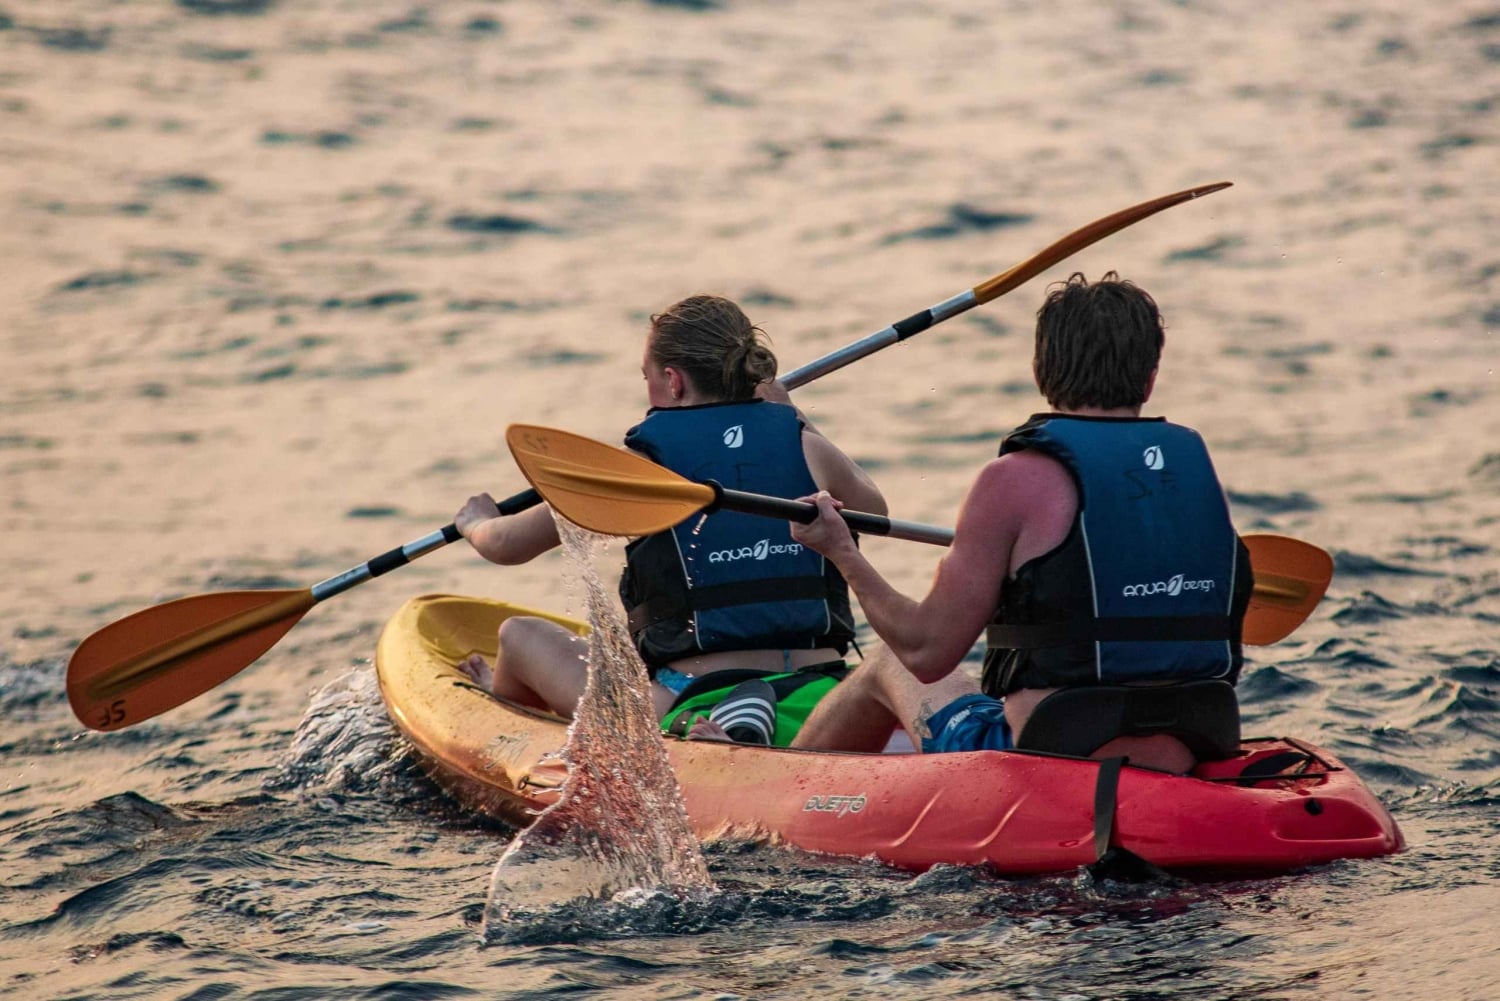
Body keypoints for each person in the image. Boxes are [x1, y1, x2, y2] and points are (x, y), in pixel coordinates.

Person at [782, 272, 1253, 773]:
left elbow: (926, 651)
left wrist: (841, 550)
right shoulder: (1192, 465)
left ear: (1040, 369)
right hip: (1191, 745)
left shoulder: (1013, 479)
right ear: (1151, 376)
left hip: (1054, 753)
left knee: (889, 662)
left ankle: (779, 784)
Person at [453, 294, 886, 745]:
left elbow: (506, 545)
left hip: (688, 694)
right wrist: (793, 417)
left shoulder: (642, 468)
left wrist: (475, 521)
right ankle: (762, 719)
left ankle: (512, 716)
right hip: (823, 682)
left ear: (673, 381)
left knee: (518, 635)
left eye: (648, 376)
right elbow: (874, 511)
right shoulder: (805, 444)